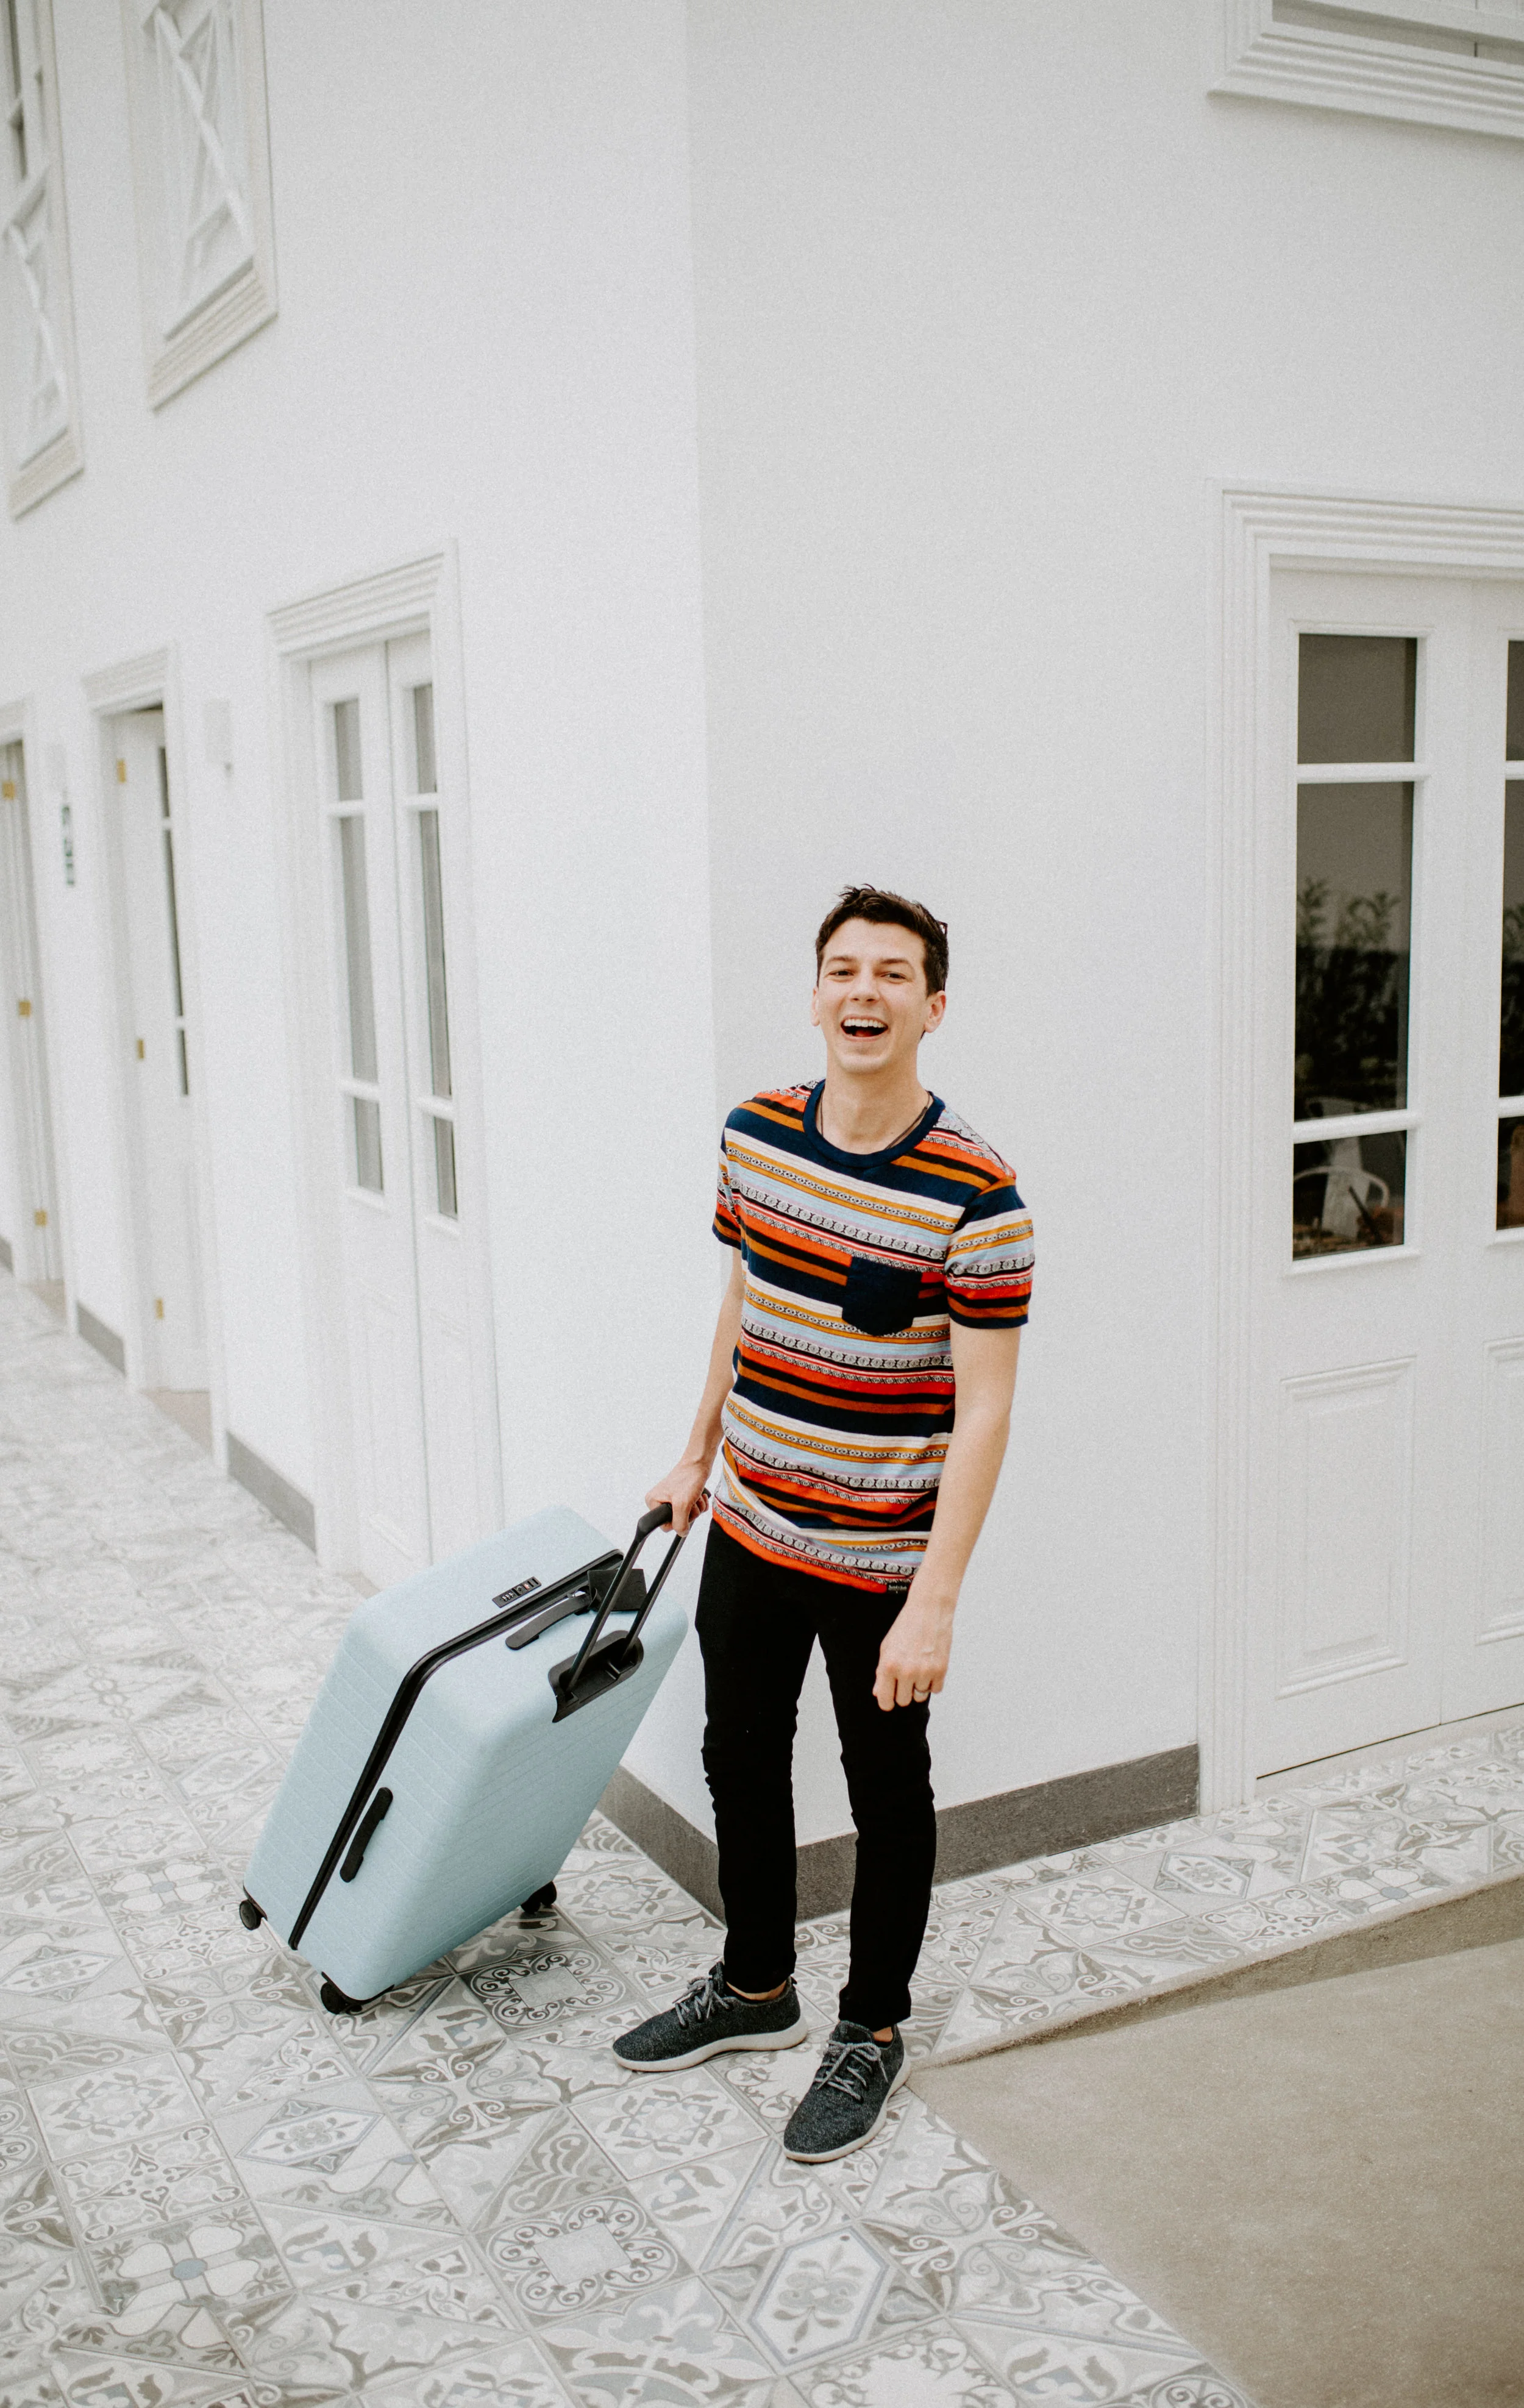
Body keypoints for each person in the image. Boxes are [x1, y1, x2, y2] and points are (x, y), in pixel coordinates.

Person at [611, 885, 1033, 2161]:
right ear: (813, 994)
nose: (863, 992)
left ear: (933, 1006)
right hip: (747, 1519)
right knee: (738, 1757)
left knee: (882, 1788)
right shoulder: (751, 1138)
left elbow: (987, 1413)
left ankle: (872, 2027)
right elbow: (739, 1303)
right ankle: (754, 1987)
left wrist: (935, 1597)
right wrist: (692, 1453)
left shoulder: (979, 1197)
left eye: (892, 974)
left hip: (874, 1559)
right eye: (842, 969)